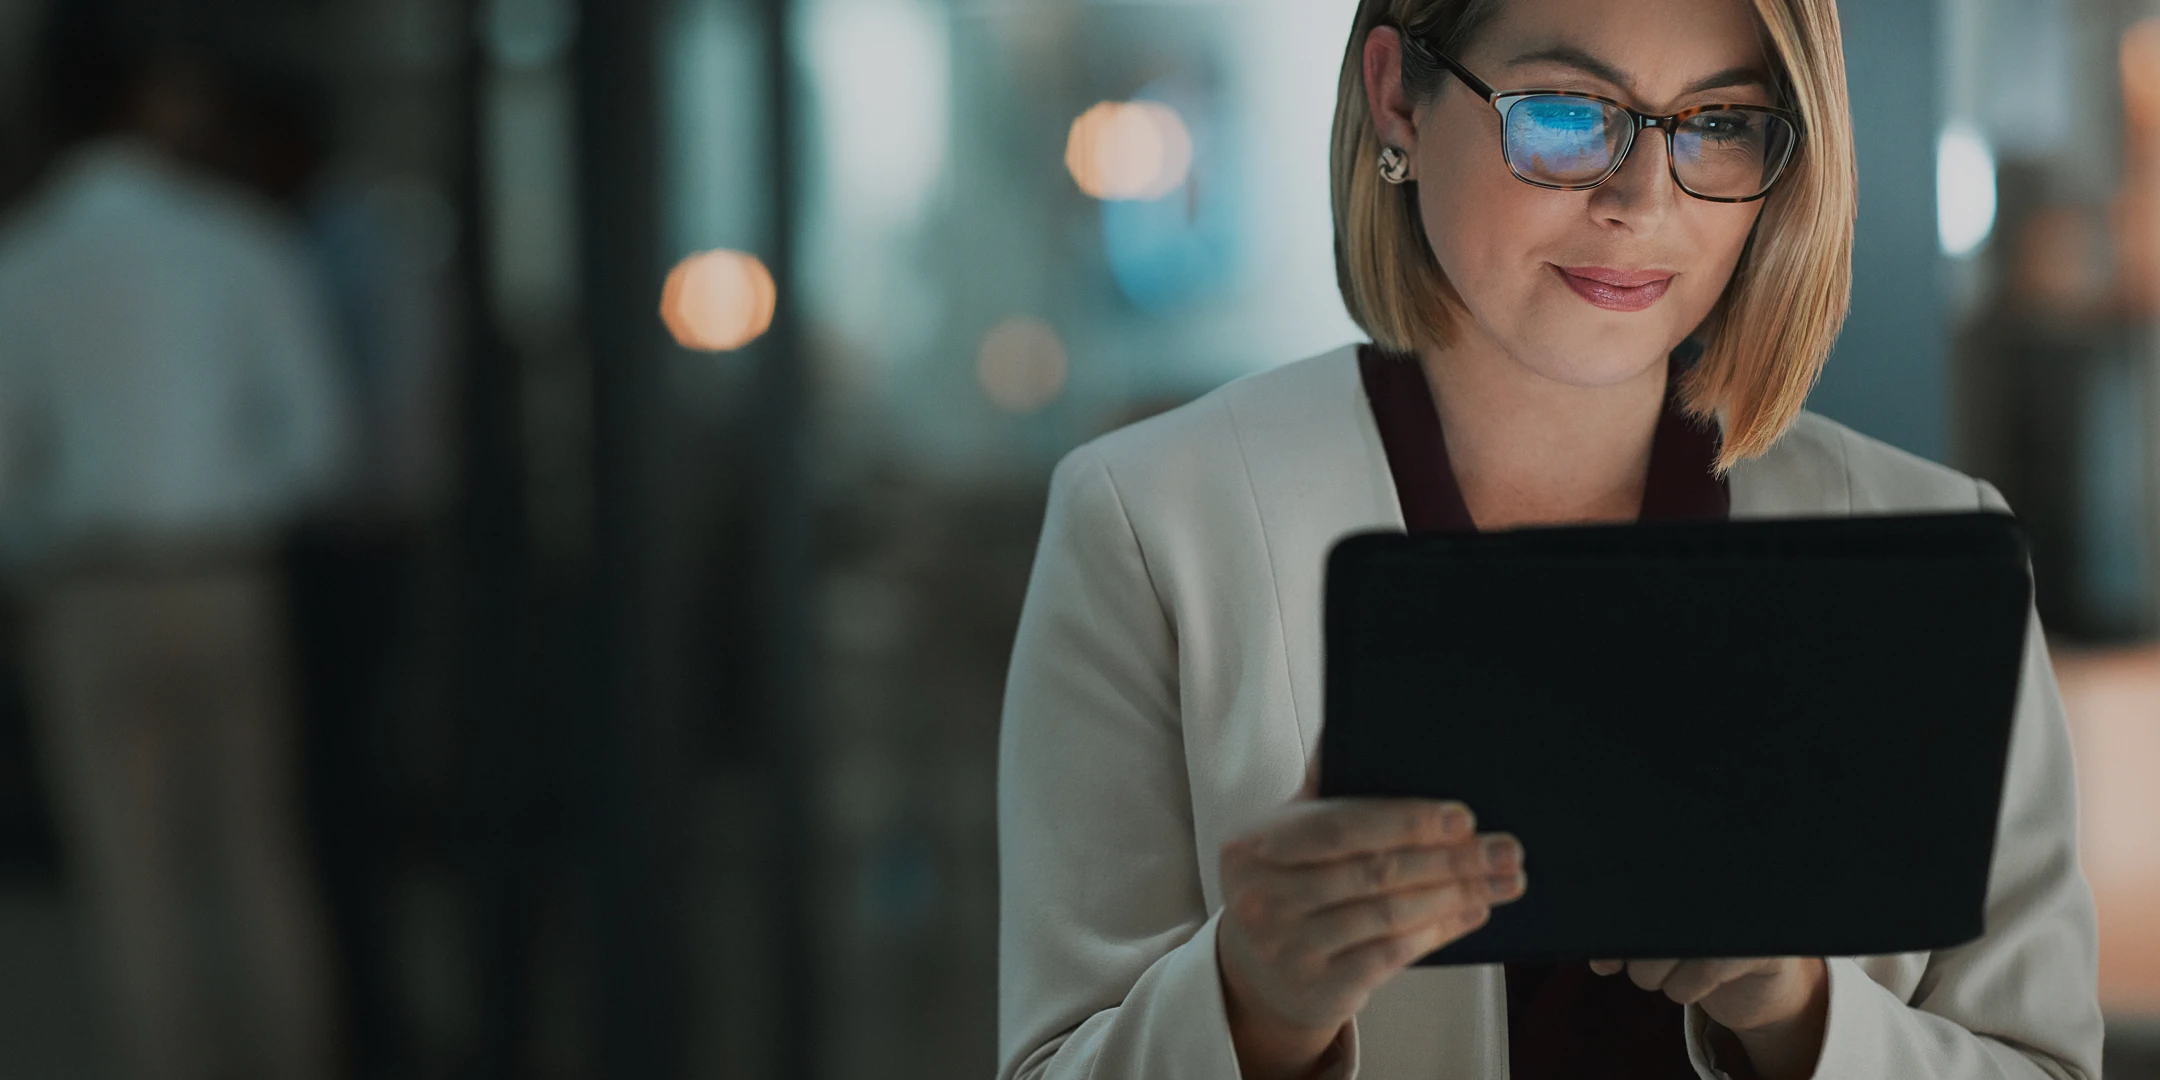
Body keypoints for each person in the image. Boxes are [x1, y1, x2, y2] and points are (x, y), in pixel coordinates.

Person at [995, 1, 2105, 1078]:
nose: (1640, 199)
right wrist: (1250, 1003)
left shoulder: (1933, 546)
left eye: (1717, 124)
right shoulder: (1150, 523)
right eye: (1568, 113)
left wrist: (1799, 1010)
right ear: (1398, 101)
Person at [0, 19, 352, 1080]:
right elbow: (321, 445)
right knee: (256, 860)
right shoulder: (239, 244)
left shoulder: (28, 257)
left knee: (133, 885)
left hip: (91, 584)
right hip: (224, 576)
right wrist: (222, 501)